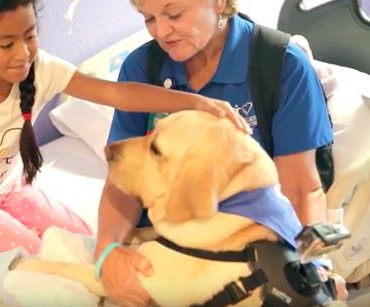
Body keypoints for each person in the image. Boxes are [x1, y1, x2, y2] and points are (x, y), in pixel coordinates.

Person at [0, 0, 250, 264]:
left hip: (10, 188)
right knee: (38, 256)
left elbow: (116, 94)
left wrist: (192, 102)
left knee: (85, 241)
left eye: (30, 36)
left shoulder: (41, 68)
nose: (22, 53)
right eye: (6, 44)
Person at [94, 0, 348, 306]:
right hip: (159, 243)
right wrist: (107, 252)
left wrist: (313, 269)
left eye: (174, 14)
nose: (160, 31)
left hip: (245, 250)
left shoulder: (280, 66)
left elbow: (300, 189)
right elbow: (123, 179)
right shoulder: (143, 68)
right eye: (148, 18)